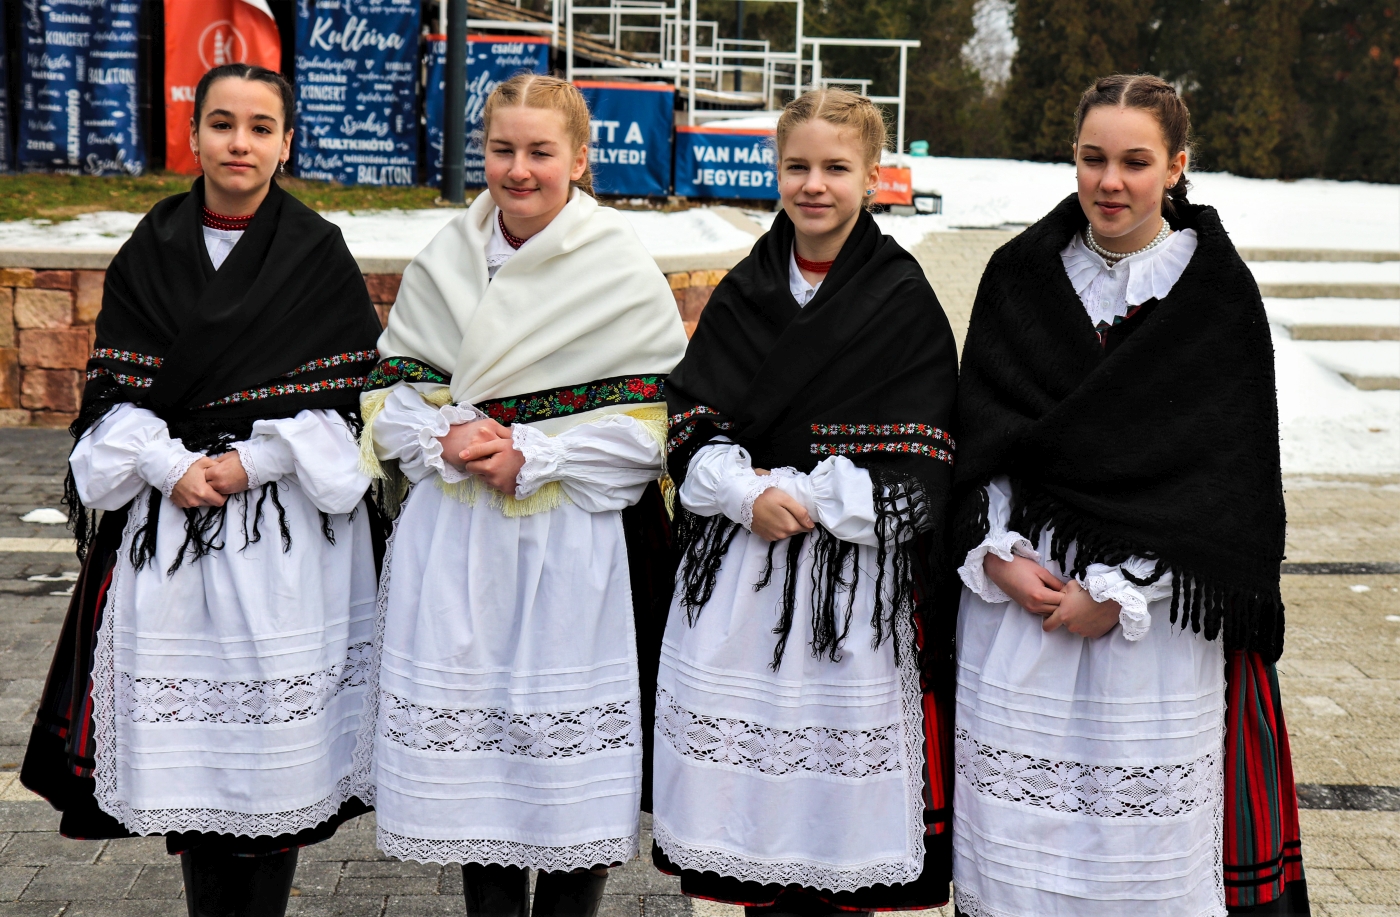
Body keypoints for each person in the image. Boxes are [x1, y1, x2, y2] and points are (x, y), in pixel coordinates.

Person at [20, 64, 385, 917]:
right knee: (202, 782)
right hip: (174, 542)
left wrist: (253, 462)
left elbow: (351, 413)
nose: (240, 142)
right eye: (223, 123)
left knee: (274, 777)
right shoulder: (153, 247)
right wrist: (167, 463)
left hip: (285, 545)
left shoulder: (316, 253)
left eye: (261, 127)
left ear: (287, 142)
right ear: (195, 136)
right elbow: (111, 405)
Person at [949, 74, 1308, 917]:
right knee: (1019, 862)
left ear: (1176, 166)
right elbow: (983, 438)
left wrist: (1122, 593)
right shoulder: (1020, 274)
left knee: (1134, 867)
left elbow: (1230, 477)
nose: (1111, 181)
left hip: (1154, 620)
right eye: (1093, 158)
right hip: (1021, 609)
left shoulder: (1213, 295)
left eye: (1136, 162)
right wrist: (994, 554)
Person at [359, 73, 688, 917]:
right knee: (480, 777)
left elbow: (647, 429)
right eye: (502, 149)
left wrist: (536, 453)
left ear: (579, 159)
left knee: (561, 765)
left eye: (541, 151)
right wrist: (444, 438)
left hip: (568, 547)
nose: (519, 168)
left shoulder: (618, 266)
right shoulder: (446, 257)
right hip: (457, 543)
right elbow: (389, 401)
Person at [651, 89, 958, 916]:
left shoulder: (901, 296)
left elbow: (925, 458)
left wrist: (818, 497)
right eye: (797, 166)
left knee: (836, 830)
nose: (813, 185)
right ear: (775, 170)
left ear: (873, 176)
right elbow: (692, 417)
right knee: (751, 834)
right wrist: (744, 490)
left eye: (835, 168)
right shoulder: (747, 288)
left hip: (847, 596)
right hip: (744, 586)